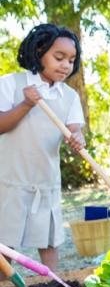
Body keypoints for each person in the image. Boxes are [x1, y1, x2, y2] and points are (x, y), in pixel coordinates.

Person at [0, 23, 86, 271]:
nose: (65, 65)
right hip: (10, 181)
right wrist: (26, 104)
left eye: (71, 60)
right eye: (58, 57)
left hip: (45, 181)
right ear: (39, 51)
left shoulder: (68, 96)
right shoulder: (10, 84)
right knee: (6, 247)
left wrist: (77, 138)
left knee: (49, 243)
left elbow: (74, 130)